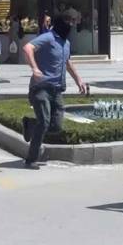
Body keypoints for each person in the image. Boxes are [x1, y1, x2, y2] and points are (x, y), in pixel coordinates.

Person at [20, 14, 86, 169]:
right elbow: (27, 47)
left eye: (71, 22)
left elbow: (67, 63)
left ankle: (30, 125)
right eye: (68, 22)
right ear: (59, 24)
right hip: (41, 87)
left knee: (56, 126)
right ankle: (31, 159)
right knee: (44, 122)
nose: (70, 26)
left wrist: (79, 81)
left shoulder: (66, 43)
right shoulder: (48, 37)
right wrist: (35, 68)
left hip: (56, 90)